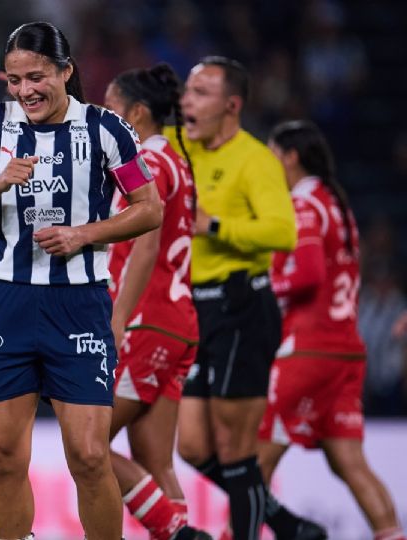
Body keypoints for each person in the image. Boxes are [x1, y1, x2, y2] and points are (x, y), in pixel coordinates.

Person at [0, 22, 163, 540]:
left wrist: (83, 235)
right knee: (2, 458)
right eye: (15, 80)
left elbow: (150, 208)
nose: (25, 90)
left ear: (66, 72)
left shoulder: (107, 129)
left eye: (37, 76)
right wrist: (1, 181)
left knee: (91, 456)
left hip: (80, 305)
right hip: (8, 304)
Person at [166, 56, 311, 540]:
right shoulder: (178, 145)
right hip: (194, 309)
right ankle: (286, 524)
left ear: (232, 105)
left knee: (234, 449)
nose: (187, 99)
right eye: (187, 89)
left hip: (241, 308)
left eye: (201, 92)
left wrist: (215, 226)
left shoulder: (255, 160)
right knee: (190, 446)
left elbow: (283, 231)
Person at [259, 120, 405, 540]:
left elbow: (306, 275)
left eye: (272, 155)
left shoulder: (303, 204)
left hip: (307, 351)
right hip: (345, 351)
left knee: (250, 465)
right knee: (350, 463)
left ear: (290, 157)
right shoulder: (336, 205)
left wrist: (264, 291)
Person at [103, 64, 209, 540]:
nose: (104, 117)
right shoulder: (177, 162)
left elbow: (145, 244)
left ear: (137, 113)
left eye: (111, 109)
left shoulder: (142, 161)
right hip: (179, 321)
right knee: (155, 461)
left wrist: (119, 318)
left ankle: (176, 532)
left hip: (145, 321)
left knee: (85, 442)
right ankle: (179, 528)